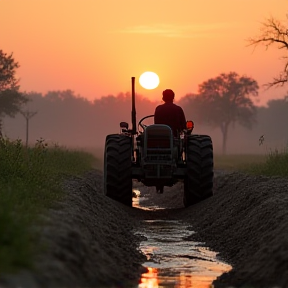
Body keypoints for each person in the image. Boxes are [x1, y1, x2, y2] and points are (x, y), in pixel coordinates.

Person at [153, 89, 187, 194]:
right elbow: (183, 127)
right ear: (173, 97)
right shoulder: (178, 109)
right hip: (173, 141)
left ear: (163, 98)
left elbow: (156, 124)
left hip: (158, 142)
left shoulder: (158, 109)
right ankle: (177, 159)